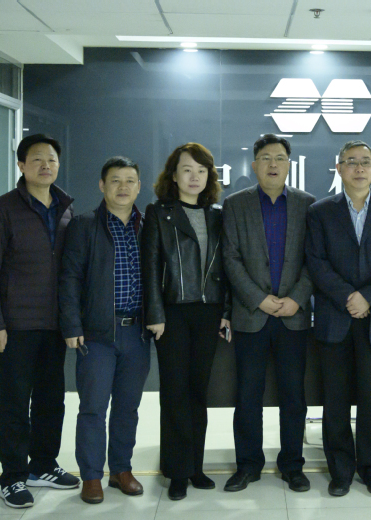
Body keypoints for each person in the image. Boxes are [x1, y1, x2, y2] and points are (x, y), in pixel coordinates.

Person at [306, 140, 371, 497]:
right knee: (334, 401)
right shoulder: (320, 212)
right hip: (335, 317)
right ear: (339, 168)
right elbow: (316, 262)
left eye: (366, 161)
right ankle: (340, 470)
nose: (359, 168)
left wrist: (368, 297)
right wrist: (348, 297)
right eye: (351, 162)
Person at [0, 134, 80, 509]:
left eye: (51, 159)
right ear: (21, 165)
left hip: (54, 326)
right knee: (13, 406)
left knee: (51, 402)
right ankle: (12, 477)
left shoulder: (66, 209)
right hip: (14, 327)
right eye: (37, 159)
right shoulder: (1, 210)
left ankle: (43, 465)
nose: (45, 165)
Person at [222, 134, 316, 493]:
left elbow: (315, 259)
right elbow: (230, 257)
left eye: (279, 158)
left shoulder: (308, 204)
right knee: (248, 395)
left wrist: (297, 298)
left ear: (289, 164)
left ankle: (293, 465)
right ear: (254, 164)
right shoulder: (235, 204)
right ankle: (248, 465)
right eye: (265, 158)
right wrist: (258, 298)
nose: (273, 164)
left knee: (293, 396)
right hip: (252, 315)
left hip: (293, 315)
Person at [140, 143, 231, 500]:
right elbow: (150, 267)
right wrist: (155, 314)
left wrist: (226, 312)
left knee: (198, 391)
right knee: (175, 391)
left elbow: (226, 267)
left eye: (201, 170)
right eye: (187, 170)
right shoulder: (159, 213)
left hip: (209, 313)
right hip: (173, 313)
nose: (194, 177)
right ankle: (177, 471)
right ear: (173, 175)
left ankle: (196, 466)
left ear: (209, 176)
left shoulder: (218, 215)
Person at [59, 156, 150, 504]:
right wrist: (72, 324)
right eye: (115, 180)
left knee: (128, 407)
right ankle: (92, 476)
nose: (123, 187)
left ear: (139, 187)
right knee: (93, 408)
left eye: (130, 181)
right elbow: (69, 278)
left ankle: (121, 470)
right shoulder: (84, 225)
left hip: (136, 332)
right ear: (102, 185)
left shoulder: (147, 226)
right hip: (96, 333)